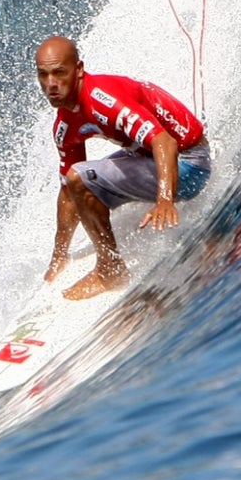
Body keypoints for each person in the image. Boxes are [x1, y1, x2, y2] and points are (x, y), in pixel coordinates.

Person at [35, 35, 212, 300]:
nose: (51, 84)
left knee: (80, 178)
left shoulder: (103, 100)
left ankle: (110, 271)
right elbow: (67, 194)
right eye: (43, 75)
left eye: (59, 73)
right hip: (156, 159)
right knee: (76, 180)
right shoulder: (65, 125)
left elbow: (164, 142)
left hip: (189, 164)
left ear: (79, 70)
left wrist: (165, 200)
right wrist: (59, 255)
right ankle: (105, 261)